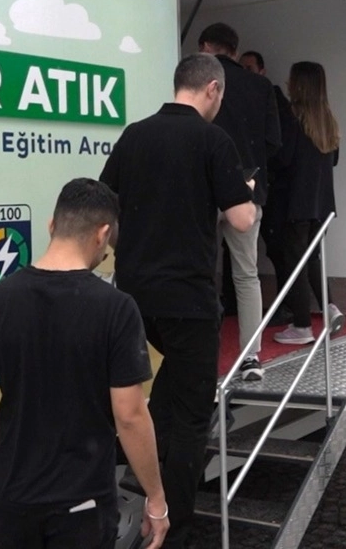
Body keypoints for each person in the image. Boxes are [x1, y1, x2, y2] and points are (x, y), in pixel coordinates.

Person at [0, 179, 169, 549]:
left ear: (51, 225)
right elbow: (130, 415)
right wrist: (155, 498)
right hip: (82, 503)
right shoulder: (116, 308)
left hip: (12, 498)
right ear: (102, 234)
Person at [99, 53, 256, 548]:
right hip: (189, 300)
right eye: (220, 95)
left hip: (135, 297)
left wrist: (129, 245)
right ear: (212, 89)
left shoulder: (134, 135)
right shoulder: (213, 140)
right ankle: (172, 528)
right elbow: (242, 220)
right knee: (192, 417)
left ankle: (131, 460)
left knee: (171, 385)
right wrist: (247, 191)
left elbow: (103, 210)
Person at [198, 24, 281, 380]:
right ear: (235, 49)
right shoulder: (261, 87)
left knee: (202, 272)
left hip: (204, 190)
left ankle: (202, 352)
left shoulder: (200, 81)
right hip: (246, 190)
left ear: (205, 47)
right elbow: (273, 142)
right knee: (246, 274)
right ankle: (251, 357)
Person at [271, 61, 341, 345]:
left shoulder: (293, 118)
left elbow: (283, 159)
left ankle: (302, 326)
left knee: (294, 262)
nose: (287, 84)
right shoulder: (328, 120)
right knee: (312, 259)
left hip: (296, 203)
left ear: (299, 85)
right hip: (323, 205)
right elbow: (334, 160)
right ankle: (330, 308)